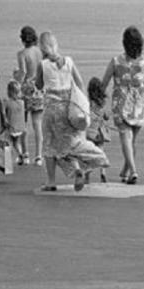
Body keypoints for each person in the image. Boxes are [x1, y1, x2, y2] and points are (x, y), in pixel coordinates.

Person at [36, 30, 106, 192]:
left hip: (51, 110)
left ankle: (51, 181)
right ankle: (78, 169)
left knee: (49, 145)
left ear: (42, 48)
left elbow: (39, 85)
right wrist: (80, 105)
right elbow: (80, 83)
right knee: (70, 143)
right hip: (68, 109)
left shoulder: (43, 65)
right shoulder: (68, 61)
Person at [101, 26, 144, 184]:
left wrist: (98, 104)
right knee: (132, 139)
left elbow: (103, 84)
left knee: (125, 137)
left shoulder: (116, 62)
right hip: (140, 103)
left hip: (121, 102)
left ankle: (133, 171)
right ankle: (126, 170)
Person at [16, 26, 45, 167]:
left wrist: (15, 81)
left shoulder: (22, 54)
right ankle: (39, 156)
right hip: (39, 88)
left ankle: (25, 154)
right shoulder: (40, 52)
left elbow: (22, 73)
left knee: (23, 123)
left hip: (26, 88)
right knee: (37, 124)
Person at [85, 77, 111, 184]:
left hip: (90, 131)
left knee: (88, 152)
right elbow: (106, 116)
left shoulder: (89, 103)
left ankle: (87, 173)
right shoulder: (103, 102)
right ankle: (102, 172)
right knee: (101, 150)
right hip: (100, 131)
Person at [5, 80, 28, 167]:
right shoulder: (22, 103)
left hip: (11, 126)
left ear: (9, 92)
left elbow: (4, 113)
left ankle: (7, 163)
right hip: (20, 127)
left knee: (8, 143)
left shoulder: (7, 102)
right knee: (16, 142)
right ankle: (20, 154)